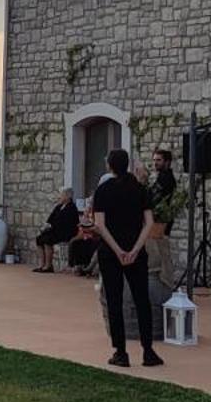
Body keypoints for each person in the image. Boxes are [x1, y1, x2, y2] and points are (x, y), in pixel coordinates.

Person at [91, 147, 162, 368]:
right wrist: (134, 250)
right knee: (142, 301)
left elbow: (100, 225)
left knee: (115, 301)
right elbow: (149, 223)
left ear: (110, 166)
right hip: (136, 253)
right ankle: (148, 352)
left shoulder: (103, 190)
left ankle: (121, 353)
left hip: (111, 254)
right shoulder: (140, 189)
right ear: (127, 164)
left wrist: (118, 251)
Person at [32, 189, 80, 272]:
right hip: (56, 230)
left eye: (62, 195)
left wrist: (53, 227)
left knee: (48, 239)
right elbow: (50, 219)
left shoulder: (72, 207)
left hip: (66, 232)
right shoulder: (59, 207)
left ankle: (48, 266)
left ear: (68, 196)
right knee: (39, 238)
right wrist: (45, 227)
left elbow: (67, 223)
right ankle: (42, 264)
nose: (60, 196)